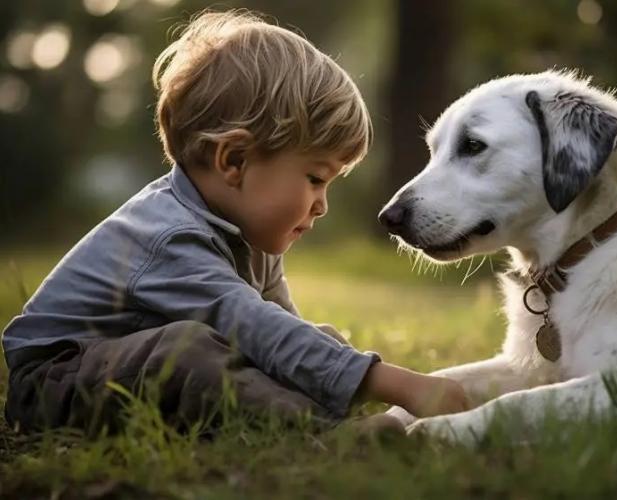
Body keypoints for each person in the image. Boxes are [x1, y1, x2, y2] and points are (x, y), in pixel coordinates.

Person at [2, 9, 469, 435]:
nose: (322, 205)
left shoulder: (250, 239)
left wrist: (335, 369)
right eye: (314, 178)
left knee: (313, 340)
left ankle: (320, 415)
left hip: (129, 366)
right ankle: (318, 435)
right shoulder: (169, 236)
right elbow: (256, 328)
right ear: (235, 160)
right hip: (55, 381)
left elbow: (282, 335)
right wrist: (397, 383)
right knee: (189, 353)